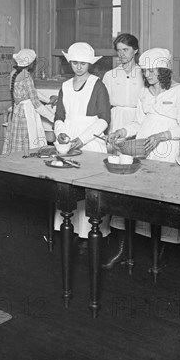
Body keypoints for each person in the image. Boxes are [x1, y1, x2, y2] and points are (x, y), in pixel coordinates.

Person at [105, 48, 180, 269]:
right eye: (145, 71)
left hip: (167, 150)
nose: (147, 75)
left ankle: (158, 253)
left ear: (164, 71)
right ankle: (125, 250)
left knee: (160, 201)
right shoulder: (144, 93)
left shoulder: (179, 92)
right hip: (143, 148)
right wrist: (122, 132)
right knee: (132, 197)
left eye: (152, 70)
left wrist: (161, 136)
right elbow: (138, 123)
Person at [53, 42, 112, 252]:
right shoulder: (66, 86)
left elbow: (104, 119)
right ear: (70, 63)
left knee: (89, 190)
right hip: (68, 140)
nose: (79, 67)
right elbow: (59, 116)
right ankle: (71, 231)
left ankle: (90, 235)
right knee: (68, 186)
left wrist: (83, 139)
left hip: (91, 140)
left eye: (83, 63)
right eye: (75, 63)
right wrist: (60, 131)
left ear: (90, 64)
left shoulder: (98, 85)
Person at [3, 48, 55, 153]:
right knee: (29, 143)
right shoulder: (27, 76)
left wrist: (48, 100)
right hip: (26, 113)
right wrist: (53, 118)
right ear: (31, 64)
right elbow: (36, 103)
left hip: (16, 111)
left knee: (16, 144)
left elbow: (32, 92)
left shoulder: (13, 73)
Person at [102, 33, 145, 132]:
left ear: (135, 50)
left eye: (125, 50)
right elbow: (104, 105)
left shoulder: (144, 74)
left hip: (138, 119)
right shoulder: (110, 75)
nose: (121, 54)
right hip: (116, 120)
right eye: (119, 50)